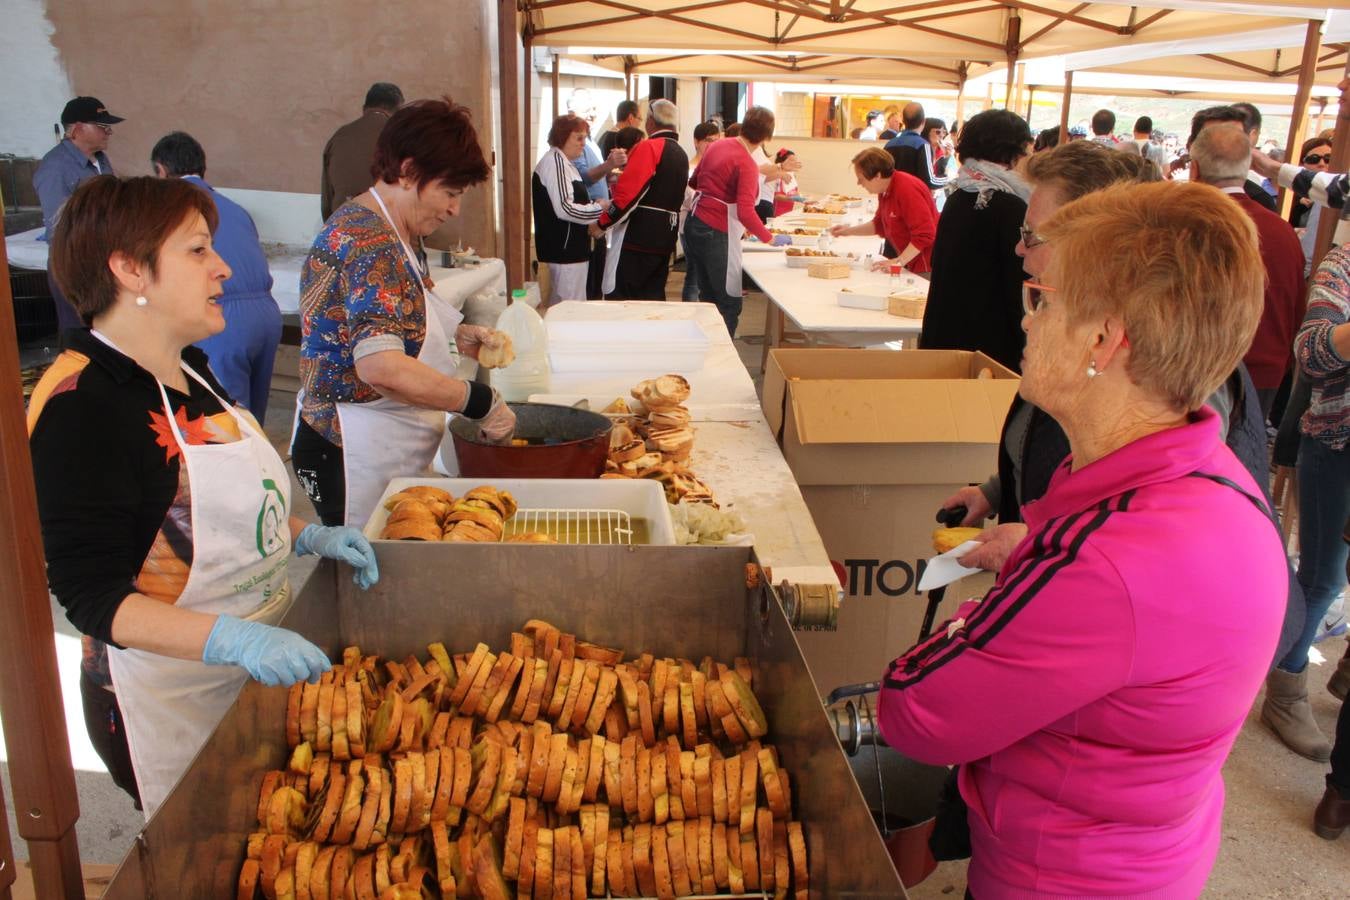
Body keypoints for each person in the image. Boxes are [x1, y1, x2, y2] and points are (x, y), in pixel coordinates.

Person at [880, 179, 1287, 898]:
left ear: (1104, 339)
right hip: (1152, 851)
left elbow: (914, 710)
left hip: (1059, 877)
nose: (1027, 320)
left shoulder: (1103, 563)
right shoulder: (1208, 477)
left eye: (1043, 300)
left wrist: (986, 610)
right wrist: (1034, 546)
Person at [29, 175, 380, 817]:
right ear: (130, 269)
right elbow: (91, 596)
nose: (222, 268)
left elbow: (228, 496)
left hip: (249, 680)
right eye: (197, 250)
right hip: (169, 698)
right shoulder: (82, 406)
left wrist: (307, 533)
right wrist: (236, 641)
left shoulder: (189, 367)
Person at [293, 98, 515, 529]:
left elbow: (394, 322)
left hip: (382, 434)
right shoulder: (367, 240)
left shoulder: (397, 232)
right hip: (349, 445)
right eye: (450, 193)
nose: (454, 209)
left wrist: (458, 336)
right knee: (367, 573)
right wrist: (479, 402)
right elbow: (382, 367)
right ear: (410, 172)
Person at [1262, 235, 1350, 761]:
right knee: (1322, 576)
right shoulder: (1343, 263)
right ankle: (1286, 687)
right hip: (1337, 443)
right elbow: (1311, 353)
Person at [151, 132, 282, 424]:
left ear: (161, 169)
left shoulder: (171, 211)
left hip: (223, 313)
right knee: (251, 419)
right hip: (266, 316)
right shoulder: (235, 208)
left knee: (225, 419)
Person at [1189, 124, 1305, 421]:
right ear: (1247, 167)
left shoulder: (1184, 223)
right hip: (1265, 372)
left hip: (1195, 370)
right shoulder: (1281, 230)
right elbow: (1295, 308)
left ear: (1195, 168)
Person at [919, 109, 1032, 372]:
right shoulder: (1010, 206)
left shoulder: (961, 195)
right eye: (1028, 148)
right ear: (1013, 152)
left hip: (946, 335)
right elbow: (1017, 287)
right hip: (989, 351)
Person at [683, 106, 791, 337]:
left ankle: (704, 347)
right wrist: (769, 237)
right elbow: (745, 212)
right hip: (717, 230)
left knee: (707, 296)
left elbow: (694, 181)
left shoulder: (718, 145)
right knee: (729, 300)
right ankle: (724, 356)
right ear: (766, 137)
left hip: (695, 222)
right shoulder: (747, 163)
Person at [34, 96, 124, 331]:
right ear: (76, 130)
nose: (109, 133)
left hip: (105, 259)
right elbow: (59, 227)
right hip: (75, 264)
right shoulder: (55, 168)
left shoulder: (101, 161)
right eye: (102, 127)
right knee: (79, 335)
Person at [590, 99, 689, 300]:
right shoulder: (681, 153)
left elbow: (628, 195)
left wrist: (601, 224)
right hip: (665, 236)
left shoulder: (650, 147)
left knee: (624, 300)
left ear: (651, 121)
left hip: (639, 237)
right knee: (652, 298)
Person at [533, 113, 609, 305]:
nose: (583, 143)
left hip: (569, 250)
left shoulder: (565, 163)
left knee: (564, 307)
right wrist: (598, 208)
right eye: (579, 138)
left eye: (585, 137)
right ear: (562, 137)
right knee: (570, 309)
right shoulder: (556, 163)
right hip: (565, 252)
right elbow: (565, 208)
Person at [828, 147, 938, 274]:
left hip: (927, 264)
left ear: (877, 176)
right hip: (912, 261)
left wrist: (898, 261)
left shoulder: (906, 189)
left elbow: (925, 234)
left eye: (861, 178)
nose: (859, 183)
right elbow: (879, 225)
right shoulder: (885, 190)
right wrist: (847, 231)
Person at [321, 82, 404, 221]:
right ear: (397, 111)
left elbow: (327, 197)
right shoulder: (401, 137)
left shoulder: (339, 136)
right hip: (387, 228)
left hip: (342, 225)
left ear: (364, 109)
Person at [1189, 105, 1277, 211]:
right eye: (1210, 138)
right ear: (1191, 146)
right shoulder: (1172, 207)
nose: (1226, 146)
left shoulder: (1261, 201)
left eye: (1236, 138)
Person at [681, 122, 722, 302]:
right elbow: (688, 199)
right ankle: (689, 316)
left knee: (704, 275)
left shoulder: (716, 167)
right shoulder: (688, 168)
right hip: (690, 225)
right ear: (696, 142)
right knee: (694, 274)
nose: (712, 145)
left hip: (710, 226)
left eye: (716, 141)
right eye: (708, 140)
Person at [885, 102, 949, 193]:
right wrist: (948, 178)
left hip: (894, 197)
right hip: (914, 198)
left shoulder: (889, 144)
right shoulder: (923, 145)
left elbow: (885, 177)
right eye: (938, 132)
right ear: (923, 121)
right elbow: (930, 181)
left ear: (903, 121)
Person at [751, 139, 802, 223]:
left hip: (787, 210)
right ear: (782, 162)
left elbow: (792, 193)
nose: (794, 163)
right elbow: (776, 195)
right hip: (776, 210)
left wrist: (802, 199)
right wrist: (793, 198)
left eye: (795, 160)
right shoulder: (777, 174)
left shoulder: (791, 175)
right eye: (791, 161)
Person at [1290, 135, 1331, 229]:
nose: (1322, 164)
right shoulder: (1288, 195)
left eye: (1328, 159)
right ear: (1301, 163)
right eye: (1314, 159)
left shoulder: (1341, 193)